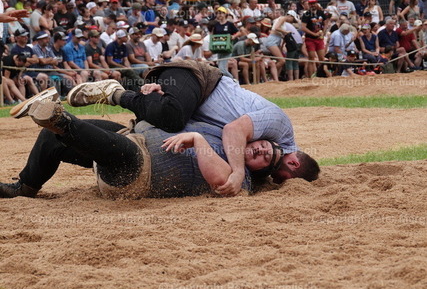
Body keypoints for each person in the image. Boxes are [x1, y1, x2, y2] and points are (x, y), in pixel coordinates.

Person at [65, 60, 320, 194]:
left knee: (169, 118)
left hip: (187, 99)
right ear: (293, 163)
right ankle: (116, 93)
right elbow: (234, 130)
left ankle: (152, 98)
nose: (276, 180)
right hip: (200, 80)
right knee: (173, 118)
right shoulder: (281, 128)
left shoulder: (267, 158)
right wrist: (238, 172)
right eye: (284, 179)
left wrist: (162, 98)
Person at [0, 95, 297, 199]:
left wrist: (198, 140)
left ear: (261, 172)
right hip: (133, 136)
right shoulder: (226, 136)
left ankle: (58, 118)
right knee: (50, 139)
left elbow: (219, 180)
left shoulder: (241, 179)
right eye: (264, 146)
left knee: (111, 147)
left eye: (265, 158)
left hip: (137, 170)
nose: (261, 151)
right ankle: (25, 187)